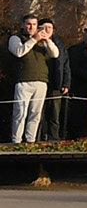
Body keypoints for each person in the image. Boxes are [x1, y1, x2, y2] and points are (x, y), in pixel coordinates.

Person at [8, 14, 59, 146]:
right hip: (24, 80)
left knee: (35, 114)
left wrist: (47, 40)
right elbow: (19, 52)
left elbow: (55, 54)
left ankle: (30, 141)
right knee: (20, 112)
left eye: (34, 24)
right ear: (23, 25)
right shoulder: (16, 38)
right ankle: (16, 141)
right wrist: (34, 39)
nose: (31, 27)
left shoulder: (42, 41)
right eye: (28, 24)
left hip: (41, 81)